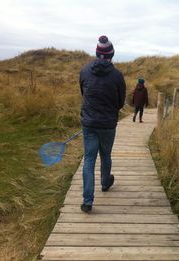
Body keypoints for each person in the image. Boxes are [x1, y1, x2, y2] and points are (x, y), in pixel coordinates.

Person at [79, 35, 126, 213]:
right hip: (108, 124)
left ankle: (87, 201)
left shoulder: (84, 71)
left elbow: (83, 93)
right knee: (105, 155)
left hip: (89, 123)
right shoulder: (117, 76)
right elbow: (120, 102)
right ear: (111, 54)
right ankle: (105, 182)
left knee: (89, 159)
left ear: (97, 53)